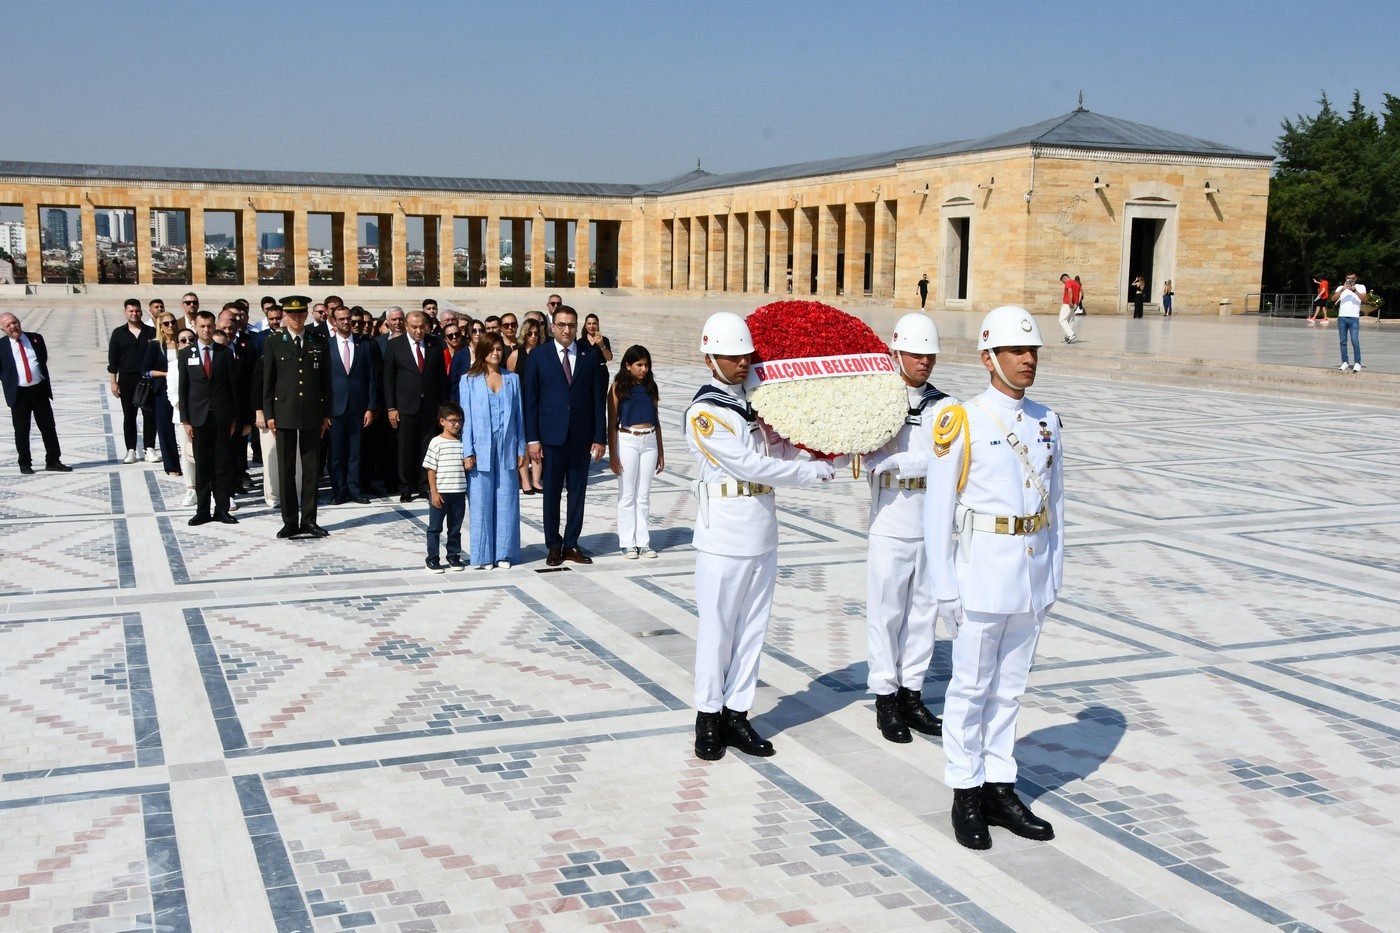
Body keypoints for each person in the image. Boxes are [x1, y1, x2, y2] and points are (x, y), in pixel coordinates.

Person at [924, 304, 1064, 850]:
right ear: (988, 357)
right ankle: (965, 790)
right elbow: (938, 512)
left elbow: (1057, 505)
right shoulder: (961, 419)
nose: (1028, 359)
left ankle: (1000, 785)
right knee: (971, 687)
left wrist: (1053, 574)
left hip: (1030, 578)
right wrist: (943, 588)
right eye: (1016, 351)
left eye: (1032, 351)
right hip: (981, 572)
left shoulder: (1047, 420)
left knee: (1010, 689)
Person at [685, 312, 836, 761]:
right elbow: (751, 466)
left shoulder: (755, 403)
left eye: (744, 355)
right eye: (730, 357)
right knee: (718, 631)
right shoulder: (705, 412)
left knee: (752, 629)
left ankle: (737, 713)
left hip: (761, 530)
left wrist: (818, 444)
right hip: (724, 533)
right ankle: (708, 717)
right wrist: (811, 473)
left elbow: (776, 449)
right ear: (710, 359)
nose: (740, 363)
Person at [864, 313, 956, 744]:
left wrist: (902, 461)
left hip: (931, 519)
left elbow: (949, 457)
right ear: (896, 353)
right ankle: (885, 696)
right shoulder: (878, 399)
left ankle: (911, 692)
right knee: (887, 613)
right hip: (891, 517)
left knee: (924, 615)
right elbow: (862, 456)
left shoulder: (944, 405)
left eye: (930, 355)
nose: (925, 362)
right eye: (916, 354)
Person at [522, 304, 607, 566]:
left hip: (580, 437)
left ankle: (571, 543)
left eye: (571, 325)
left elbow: (597, 398)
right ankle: (553, 545)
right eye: (561, 325)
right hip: (551, 437)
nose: (567, 330)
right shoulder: (539, 356)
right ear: (552, 326)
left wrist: (599, 437)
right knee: (551, 494)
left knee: (578, 493)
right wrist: (533, 439)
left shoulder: (589, 354)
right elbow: (531, 400)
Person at [263, 295, 333, 538]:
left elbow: (326, 380)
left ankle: (310, 520)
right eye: (292, 314)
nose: (297, 318)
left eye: (301, 313)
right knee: (286, 470)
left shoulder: (318, 340)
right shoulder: (274, 341)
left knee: (312, 469)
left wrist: (326, 414)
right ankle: (290, 520)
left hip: (312, 413)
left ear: (306, 315)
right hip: (284, 413)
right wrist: (269, 413)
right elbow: (268, 381)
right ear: (284, 315)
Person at [461, 334, 525, 569]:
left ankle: (505, 553)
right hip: (481, 448)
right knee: (481, 500)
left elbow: (519, 417)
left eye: (499, 349)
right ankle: (483, 554)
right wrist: (467, 451)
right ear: (482, 351)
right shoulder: (468, 380)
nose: (496, 353)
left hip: (506, 446)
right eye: (491, 349)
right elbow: (465, 419)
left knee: (507, 499)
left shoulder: (513, 379)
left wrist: (521, 448)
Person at [179, 310, 238, 526]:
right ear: (195, 326)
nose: (206, 330)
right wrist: (186, 420)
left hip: (221, 417)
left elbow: (233, 388)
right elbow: (183, 389)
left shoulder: (224, 353)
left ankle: (222, 509)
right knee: (202, 466)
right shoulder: (186, 354)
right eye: (202, 326)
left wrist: (234, 418)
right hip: (198, 418)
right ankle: (202, 510)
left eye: (210, 326)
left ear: (215, 327)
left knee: (222, 465)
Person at [383, 310, 447, 502]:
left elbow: (441, 377)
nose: (419, 331)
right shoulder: (395, 345)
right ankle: (405, 486)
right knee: (405, 448)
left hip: (429, 405)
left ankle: (425, 485)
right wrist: (391, 408)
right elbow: (389, 379)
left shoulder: (434, 343)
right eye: (414, 327)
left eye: (422, 327)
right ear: (406, 326)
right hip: (405, 405)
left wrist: (442, 407)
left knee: (427, 447)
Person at [608, 345, 664, 559]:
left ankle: (644, 542)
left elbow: (657, 419)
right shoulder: (618, 387)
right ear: (627, 365)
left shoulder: (651, 387)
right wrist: (613, 454)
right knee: (628, 494)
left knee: (644, 495)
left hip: (649, 441)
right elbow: (611, 422)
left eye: (646, 365)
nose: (644, 369)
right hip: (627, 440)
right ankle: (627, 542)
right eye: (639, 365)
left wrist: (660, 451)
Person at [1, 312, 70, 475]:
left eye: (15, 322)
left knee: (48, 427)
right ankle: (25, 463)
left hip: (39, 390)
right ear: (3, 329)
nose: (13, 326)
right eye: (8, 325)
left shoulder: (35, 338)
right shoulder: (2, 346)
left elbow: (42, 358)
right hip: (19, 394)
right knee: (22, 430)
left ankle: (53, 460)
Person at [327, 302, 379, 504]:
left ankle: (355, 490)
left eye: (349, 319)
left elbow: (372, 379)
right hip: (335, 408)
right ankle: (339, 491)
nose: (347, 322)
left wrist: (370, 407)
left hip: (358, 408)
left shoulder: (364, 344)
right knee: (336, 453)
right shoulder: (326, 345)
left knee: (355, 453)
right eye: (342, 319)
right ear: (334, 322)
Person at [108, 298, 157, 463]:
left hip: (147, 378)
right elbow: (113, 360)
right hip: (127, 379)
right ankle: (131, 450)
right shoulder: (118, 333)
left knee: (149, 415)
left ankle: (149, 448)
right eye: (131, 311)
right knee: (129, 416)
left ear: (141, 312)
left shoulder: (151, 332)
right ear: (125, 313)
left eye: (137, 311)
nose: (134, 314)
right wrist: (113, 382)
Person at [422, 401, 468, 573]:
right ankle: (432, 559)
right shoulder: (436, 442)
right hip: (441, 493)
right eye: (453, 420)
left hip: (458, 493)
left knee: (455, 528)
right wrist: (433, 491)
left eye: (460, 421)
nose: (457, 424)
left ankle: (453, 556)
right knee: (435, 528)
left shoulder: (463, 442)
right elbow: (430, 468)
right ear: (442, 421)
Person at [142, 311, 183, 477]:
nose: (171, 326)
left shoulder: (183, 341)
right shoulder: (155, 345)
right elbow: (145, 370)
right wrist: (167, 374)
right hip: (162, 390)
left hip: (184, 389)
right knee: (166, 429)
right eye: (166, 323)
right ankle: (172, 466)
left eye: (173, 322)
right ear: (160, 326)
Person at [168, 327, 198, 506]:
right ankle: (191, 488)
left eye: (191, 339)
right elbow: (172, 392)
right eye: (183, 340)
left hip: (202, 414)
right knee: (186, 453)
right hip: (182, 415)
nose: (188, 343)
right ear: (178, 345)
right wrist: (186, 410)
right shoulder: (173, 365)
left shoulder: (202, 360)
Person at [1335, 273, 1366, 372]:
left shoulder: (1360, 287)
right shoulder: (1341, 287)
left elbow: (1365, 299)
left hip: (1354, 318)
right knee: (1343, 341)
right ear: (1345, 278)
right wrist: (1343, 289)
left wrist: (1355, 290)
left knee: (1354, 340)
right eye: (1348, 278)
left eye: (1352, 279)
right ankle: (1345, 361)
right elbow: (1333, 298)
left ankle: (1357, 362)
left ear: (1356, 279)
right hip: (1342, 317)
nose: (1350, 280)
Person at [1057, 273, 1079, 344]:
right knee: (1070, 320)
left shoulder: (1068, 282)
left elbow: (1069, 290)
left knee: (1062, 320)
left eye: (1063, 281)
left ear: (1064, 278)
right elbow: (1080, 293)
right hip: (1075, 304)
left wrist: (1070, 302)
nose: (1064, 283)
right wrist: (1076, 303)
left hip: (1068, 304)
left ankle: (1071, 334)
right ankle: (1067, 337)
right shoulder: (1076, 283)